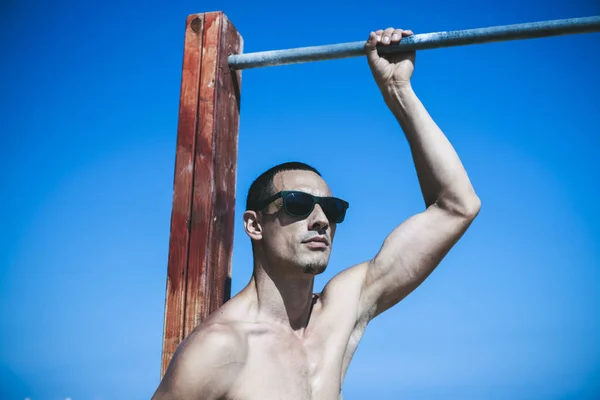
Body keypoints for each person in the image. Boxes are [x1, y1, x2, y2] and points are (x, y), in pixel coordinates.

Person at [152, 27, 481, 400]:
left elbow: (457, 206)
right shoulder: (219, 350)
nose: (321, 219)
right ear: (254, 224)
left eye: (332, 209)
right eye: (298, 204)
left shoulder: (338, 314)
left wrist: (398, 91)